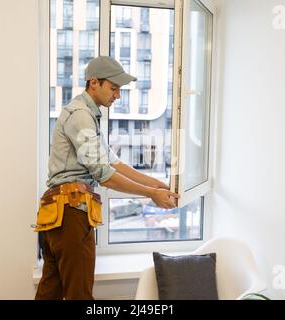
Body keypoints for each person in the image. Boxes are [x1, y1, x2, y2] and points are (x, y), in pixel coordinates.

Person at [34, 56, 179, 300]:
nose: (117, 95)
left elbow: (115, 163)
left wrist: (155, 184)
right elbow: (105, 175)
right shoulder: (80, 116)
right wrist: (151, 194)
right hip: (70, 213)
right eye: (113, 88)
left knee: (50, 293)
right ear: (94, 83)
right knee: (79, 296)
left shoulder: (88, 117)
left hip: (59, 215)